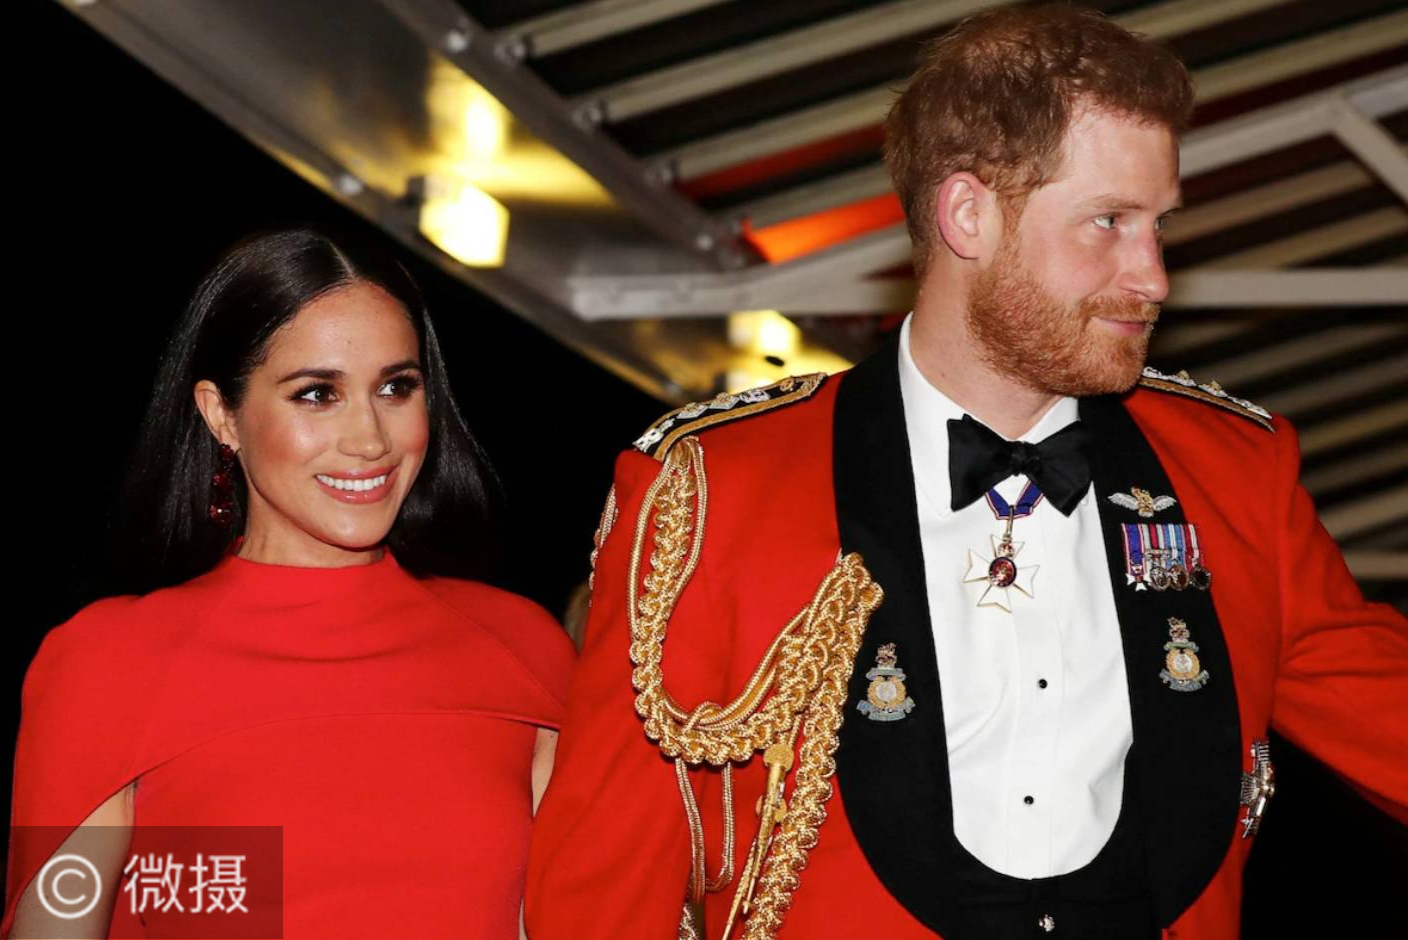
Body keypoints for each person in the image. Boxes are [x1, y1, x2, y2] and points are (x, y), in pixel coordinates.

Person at [524, 6, 1408, 939]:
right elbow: (601, 891)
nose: (1153, 276)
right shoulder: (713, 488)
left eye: (1158, 227)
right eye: (1108, 222)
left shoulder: (1233, 472)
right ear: (967, 215)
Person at [3, 228, 575, 938]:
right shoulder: (109, 661)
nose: (370, 439)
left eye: (396, 387)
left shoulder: (521, 649)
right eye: (316, 394)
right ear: (221, 414)